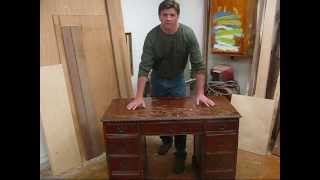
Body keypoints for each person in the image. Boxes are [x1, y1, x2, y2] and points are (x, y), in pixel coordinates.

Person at [126, 0, 215, 174]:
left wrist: (200, 93)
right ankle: (166, 141)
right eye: (164, 15)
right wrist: (138, 96)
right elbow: (144, 67)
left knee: (180, 119)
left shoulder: (187, 34)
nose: (168, 18)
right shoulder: (152, 36)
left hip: (177, 80)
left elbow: (199, 65)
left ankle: (180, 153)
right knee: (160, 118)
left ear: (177, 16)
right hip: (158, 80)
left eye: (172, 15)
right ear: (159, 16)